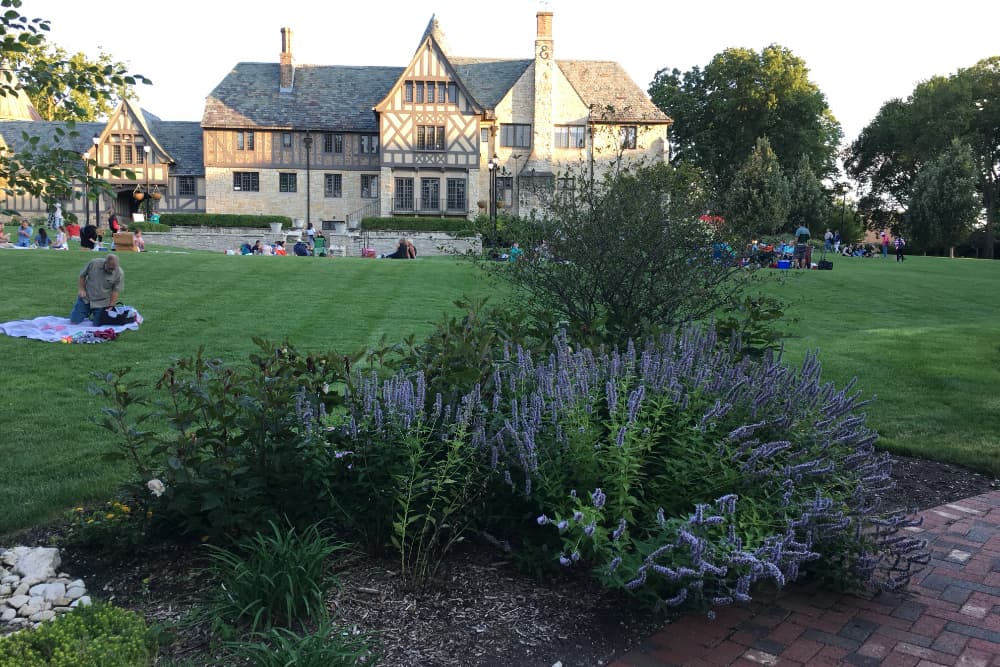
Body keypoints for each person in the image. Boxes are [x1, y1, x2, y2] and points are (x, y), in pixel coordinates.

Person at [69, 254, 124, 325]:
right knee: (74, 321)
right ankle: (83, 314)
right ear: (105, 263)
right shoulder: (93, 263)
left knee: (98, 325)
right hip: (86, 299)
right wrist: (81, 289)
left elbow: (115, 291)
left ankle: (96, 317)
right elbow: (82, 275)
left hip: (102, 303)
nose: (112, 271)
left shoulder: (119, 273)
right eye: (110, 268)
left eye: (114, 268)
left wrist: (111, 306)